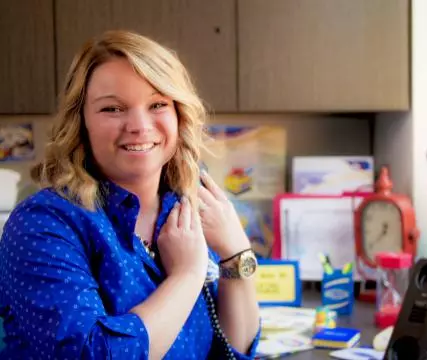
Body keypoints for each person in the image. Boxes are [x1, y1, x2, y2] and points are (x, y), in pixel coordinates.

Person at [0, 30, 260, 359]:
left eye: (157, 104)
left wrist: (235, 253)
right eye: (113, 109)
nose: (139, 125)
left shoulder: (190, 204)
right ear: (80, 122)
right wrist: (187, 275)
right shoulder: (42, 225)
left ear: (179, 115)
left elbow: (230, 352)